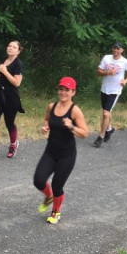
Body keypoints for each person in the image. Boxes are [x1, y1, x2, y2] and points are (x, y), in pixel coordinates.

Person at [35, 77, 88, 224]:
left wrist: (71, 126)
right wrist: (45, 127)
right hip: (50, 151)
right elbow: (47, 119)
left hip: (67, 155)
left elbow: (84, 133)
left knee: (57, 185)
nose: (63, 92)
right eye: (61, 89)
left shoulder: (75, 111)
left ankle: (55, 211)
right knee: (38, 180)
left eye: (67, 90)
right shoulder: (51, 106)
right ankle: (48, 197)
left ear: (73, 92)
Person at [94, 42, 127, 148]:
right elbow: (98, 72)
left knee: (105, 114)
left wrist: (125, 81)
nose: (116, 50)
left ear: (122, 50)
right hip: (105, 89)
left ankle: (101, 137)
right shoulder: (106, 58)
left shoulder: (125, 62)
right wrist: (107, 72)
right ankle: (110, 129)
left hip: (115, 90)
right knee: (107, 112)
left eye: (118, 49)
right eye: (114, 48)